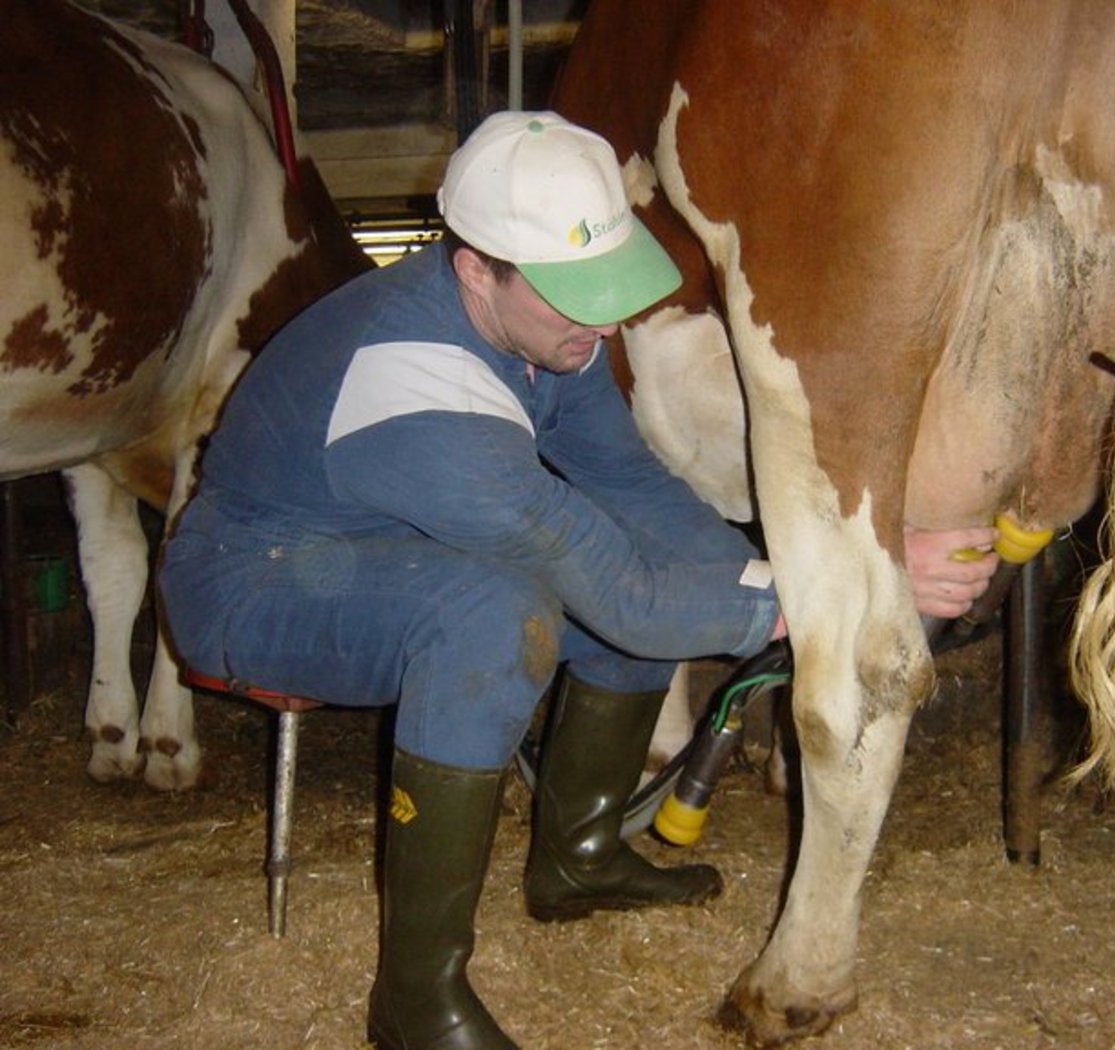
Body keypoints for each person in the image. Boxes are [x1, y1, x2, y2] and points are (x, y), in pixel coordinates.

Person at [158, 110, 998, 1050]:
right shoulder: (417, 386)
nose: (601, 321)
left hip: (388, 549)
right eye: (572, 296)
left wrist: (814, 569)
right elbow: (627, 594)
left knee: (594, 563)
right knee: (492, 613)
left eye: (607, 284)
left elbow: (634, 489)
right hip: (255, 581)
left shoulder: (545, 333)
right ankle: (414, 1002)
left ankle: (578, 857)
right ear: (474, 269)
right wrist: (851, 597)